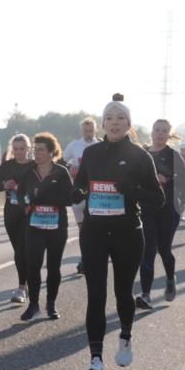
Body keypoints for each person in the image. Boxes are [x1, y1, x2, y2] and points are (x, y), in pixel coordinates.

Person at [71, 96, 163, 370]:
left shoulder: (139, 155)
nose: (114, 122)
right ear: (102, 123)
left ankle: (125, 336)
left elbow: (157, 199)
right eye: (109, 117)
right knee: (96, 295)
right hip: (95, 232)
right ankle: (95, 359)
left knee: (123, 292)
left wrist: (131, 190)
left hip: (127, 232)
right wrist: (78, 193)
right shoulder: (92, 153)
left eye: (120, 118)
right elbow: (80, 186)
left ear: (129, 124)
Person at [17, 132, 72, 320]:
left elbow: (69, 198)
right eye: (35, 150)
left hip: (57, 226)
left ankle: (51, 304)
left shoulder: (61, 172)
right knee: (33, 265)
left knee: (54, 266)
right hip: (34, 226)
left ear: (51, 152)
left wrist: (46, 199)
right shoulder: (28, 172)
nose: (36, 153)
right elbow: (20, 194)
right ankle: (33, 304)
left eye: (41, 150)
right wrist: (25, 205)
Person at [137, 118, 185, 308]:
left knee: (164, 250)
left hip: (168, 210)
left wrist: (168, 179)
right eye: (157, 129)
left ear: (168, 134)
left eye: (164, 130)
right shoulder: (142, 154)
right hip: (146, 209)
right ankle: (146, 294)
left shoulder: (173, 155)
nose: (160, 133)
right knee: (147, 250)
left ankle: (170, 278)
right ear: (152, 132)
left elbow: (184, 183)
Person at [0, 134, 33, 303]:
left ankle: (22, 287)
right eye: (15, 149)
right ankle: (26, 284)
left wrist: (21, 187)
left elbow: (41, 186)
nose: (19, 152)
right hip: (12, 211)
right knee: (19, 251)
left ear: (28, 149)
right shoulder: (8, 166)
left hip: (30, 212)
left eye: (22, 149)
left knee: (26, 250)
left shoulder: (34, 166)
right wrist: (4, 185)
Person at [62, 117, 100, 274]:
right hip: (79, 193)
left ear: (95, 130)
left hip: (97, 194)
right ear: (81, 131)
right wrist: (71, 167)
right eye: (86, 131)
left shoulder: (100, 146)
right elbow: (61, 161)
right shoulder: (74, 146)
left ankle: (94, 257)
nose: (88, 133)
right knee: (83, 230)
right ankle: (85, 258)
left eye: (91, 130)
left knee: (97, 229)